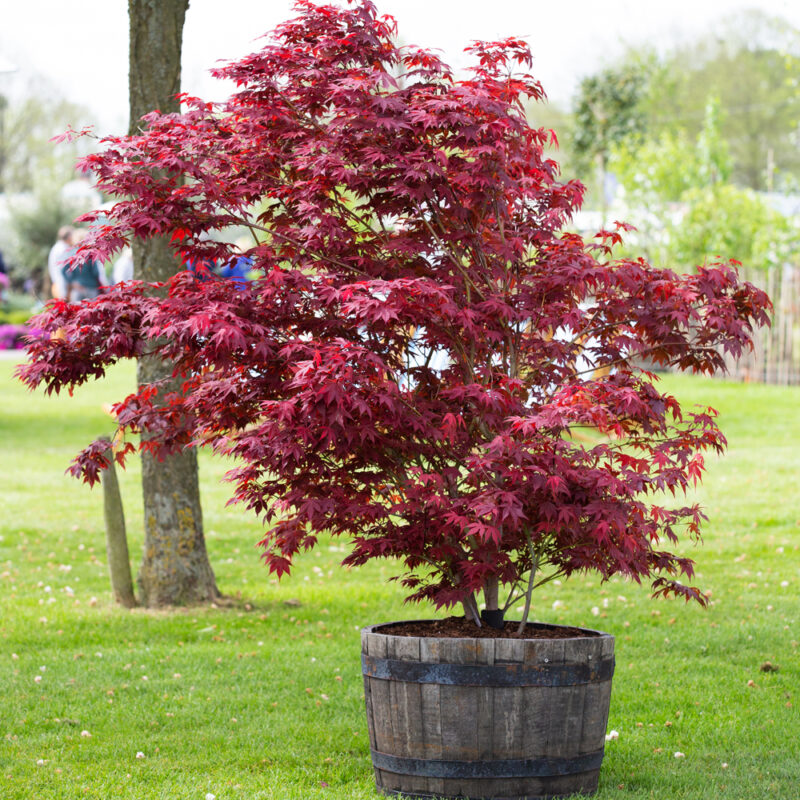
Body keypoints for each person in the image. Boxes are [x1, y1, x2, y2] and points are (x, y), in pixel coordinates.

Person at [62, 229, 107, 302]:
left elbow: (63, 271)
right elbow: (96, 273)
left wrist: (71, 281)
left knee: (77, 311)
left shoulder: (71, 254)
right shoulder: (90, 254)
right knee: (92, 311)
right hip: (91, 287)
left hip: (77, 288)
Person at [48, 226, 74, 299]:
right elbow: (65, 270)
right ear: (69, 236)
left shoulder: (57, 247)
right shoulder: (63, 249)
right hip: (63, 286)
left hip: (57, 284)